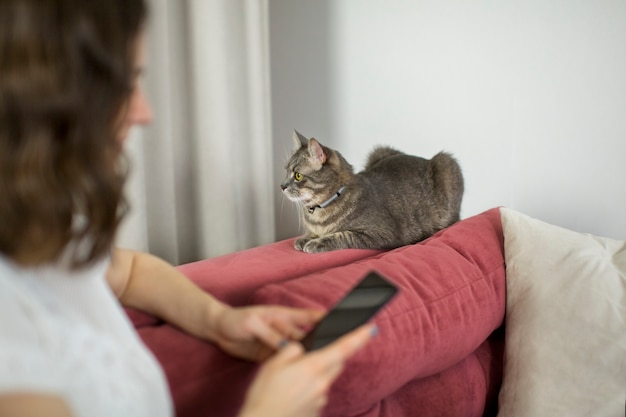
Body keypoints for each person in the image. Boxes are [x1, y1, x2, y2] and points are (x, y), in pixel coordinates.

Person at [0, 1, 376, 416]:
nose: (145, 113)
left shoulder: (37, 231)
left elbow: (129, 272)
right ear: (40, 98)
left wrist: (219, 321)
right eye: (125, 85)